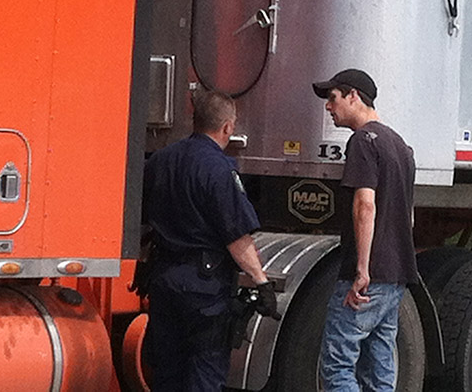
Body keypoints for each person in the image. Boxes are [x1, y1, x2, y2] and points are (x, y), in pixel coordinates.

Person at [141, 90, 278, 392]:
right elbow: (236, 237)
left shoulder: (161, 160)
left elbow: (142, 216)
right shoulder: (219, 168)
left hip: (164, 279)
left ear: (196, 121)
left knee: (167, 373)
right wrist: (262, 282)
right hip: (204, 289)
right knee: (204, 374)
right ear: (227, 127)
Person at [312, 69, 419, 391]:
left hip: (368, 277)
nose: (328, 108)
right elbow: (408, 216)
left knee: (337, 366)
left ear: (353, 96)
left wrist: (361, 268)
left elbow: (365, 205)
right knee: (379, 364)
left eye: (333, 99)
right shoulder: (400, 146)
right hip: (396, 274)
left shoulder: (362, 141)